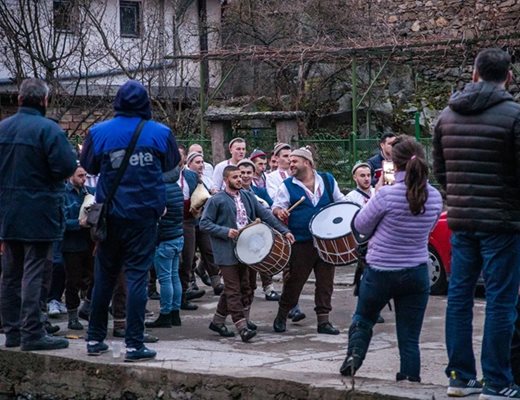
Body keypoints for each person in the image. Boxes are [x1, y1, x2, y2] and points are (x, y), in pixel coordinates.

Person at [433, 48, 520, 399]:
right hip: (503, 222)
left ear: (473, 74)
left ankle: (460, 377)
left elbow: (440, 171)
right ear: (509, 77)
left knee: (459, 297)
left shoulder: (445, 116)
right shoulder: (514, 115)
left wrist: (459, 200)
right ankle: (497, 382)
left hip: (461, 219)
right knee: (501, 300)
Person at [80, 80, 179, 361]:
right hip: (144, 216)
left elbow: (88, 166)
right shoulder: (161, 132)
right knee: (137, 277)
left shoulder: (99, 132)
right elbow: (170, 164)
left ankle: (95, 339)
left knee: (105, 277)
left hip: (110, 216)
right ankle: (134, 344)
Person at [340, 136, 442, 382]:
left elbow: (360, 225)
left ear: (393, 165)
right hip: (417, 271)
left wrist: (376, 196)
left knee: (364, 318)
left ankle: (354, 357)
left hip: (381, 270)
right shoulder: (435, 197)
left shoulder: (385, 195)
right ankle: (409, 379)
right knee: (409, 337)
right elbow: (428, 229)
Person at [0, 78, 77, 351]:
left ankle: (12, 332)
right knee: (35, 270)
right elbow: (67, 166)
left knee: (10, 272)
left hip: (8, 210)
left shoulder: (3, 129)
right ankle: (33, 331)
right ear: (45, 101)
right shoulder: (49, 130)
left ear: (19, 99)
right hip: (41, 210)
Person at [200, 165, 294, 342]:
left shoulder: (247, 196)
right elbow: (204, 224)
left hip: (246, 250)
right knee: (233, 289)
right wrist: (225, 231)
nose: (240, 179)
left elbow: (266, 215)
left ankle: (217, 321)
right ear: (226, 180)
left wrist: (284, 231)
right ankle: (241, 326)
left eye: (241, 176)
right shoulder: (216, 200)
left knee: (244, 287)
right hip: (226, 251)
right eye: (235, 177)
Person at [271, 147, 345, 335]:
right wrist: (280, 212)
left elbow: (340, 202)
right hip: (301, 242)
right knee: (294, 281)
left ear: (308, 163)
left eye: (295, 161)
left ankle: (323, 321)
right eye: (290, 161)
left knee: (326, 282)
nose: (291, 164)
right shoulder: (287, 185)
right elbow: (276, 208)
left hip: (327, 241)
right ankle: (282, 315)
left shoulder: (327, 180)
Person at [145, 163, 184, 328]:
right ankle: (175, 313)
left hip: (164, 239)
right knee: (174, 276)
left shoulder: (159, 190)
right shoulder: (176, 187)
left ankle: (165, 314)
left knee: (165, 279)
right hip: (177, 236)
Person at [237, 159, 281, 301]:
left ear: (253, 174)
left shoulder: (259, 191)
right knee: (245, 274)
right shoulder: (232, 194)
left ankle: (268, 289)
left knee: (263, 257)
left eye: (248, 172)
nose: (245, 176)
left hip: (258, 233)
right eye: (242, 173)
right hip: (240, 237)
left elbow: (270, 208)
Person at [185, 151, 224, 296]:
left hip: (204, 220)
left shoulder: (206, 178)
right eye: (197, 162)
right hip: (190, 219)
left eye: (202, 162)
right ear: (189, 164)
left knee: (209, 250)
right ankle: (190, 284)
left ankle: (216, 282)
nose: (201, 165)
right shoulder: (186, 178)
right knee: (189, 255)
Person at [62, 165, 96, 331]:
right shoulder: (63, 195)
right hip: (71, 244)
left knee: (96, 276)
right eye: (80, 176)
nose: (83, 179)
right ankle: (72, 315)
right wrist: (78, 223)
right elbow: (60, 222)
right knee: (72, 281)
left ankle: (87, 307)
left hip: (89, 242)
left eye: (85, 176)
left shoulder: (90, 192)